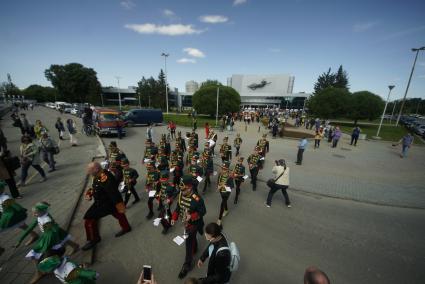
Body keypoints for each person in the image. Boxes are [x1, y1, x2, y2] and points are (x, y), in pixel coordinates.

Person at [16, 202, 79, 283]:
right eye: (33, 213)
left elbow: (54, 232)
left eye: (36, 213)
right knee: (64, 239)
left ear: (43, 211)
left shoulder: (47, 220)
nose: (34, 215)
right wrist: (20, 239)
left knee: (35, 253)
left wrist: (48, 244)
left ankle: (39, 272)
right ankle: (75, 246)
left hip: (51, 237)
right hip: (51, 235)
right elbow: (31, 227)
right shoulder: (41, 216)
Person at [82, 162, 131, 251]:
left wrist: (119, 205)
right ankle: (126, 228)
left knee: (89, 219)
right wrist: (89, 193)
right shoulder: (98, 175)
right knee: (118, 214)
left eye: (89, 170)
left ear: (96, 169)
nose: (88, 172)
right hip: (102, 202)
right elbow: (95, 187)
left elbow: (113, 192)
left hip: (106, 203)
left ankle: (94, 239)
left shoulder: (105, 177)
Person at [171, 175, 206, 279]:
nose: (182, 191)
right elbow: (178, 207)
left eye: (184, 188)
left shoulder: (197, 199)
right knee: (192, 239)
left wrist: (192, 216)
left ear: (190, 187)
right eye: (181, 189)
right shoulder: (181, 194)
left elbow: (203, 211)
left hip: (193, 224)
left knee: (188, 243)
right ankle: (195, 248)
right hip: (184, 222)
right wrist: (174, 217)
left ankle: (187, 264)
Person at [216, 161, 234, 226]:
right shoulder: (220, 173)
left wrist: (224, 186)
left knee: (222, 203)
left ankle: (219, 219)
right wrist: (218, 186)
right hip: (221, 191)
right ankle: (226, 210)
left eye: (224, 169)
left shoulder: (230, 176)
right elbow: (218, 180)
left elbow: (231, 187)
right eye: (222, 168)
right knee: (224, 201)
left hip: (226, 193)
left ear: (227, 169)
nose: (223, 170)